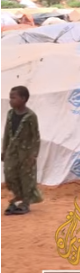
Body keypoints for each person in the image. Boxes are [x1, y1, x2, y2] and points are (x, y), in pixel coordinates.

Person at [2, 86, 43, 215]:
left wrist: (34, 154)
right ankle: (18, 197)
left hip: (26, 153)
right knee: (9, 174)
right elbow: (6, 133)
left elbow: (36, 136)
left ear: (23, 99)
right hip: (11, 151)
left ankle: (25, 203)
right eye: (10, 98)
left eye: (13, 98)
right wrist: (4, 150)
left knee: (26, 178)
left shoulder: (31, 116)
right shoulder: (10, 114)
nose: (10, 100)